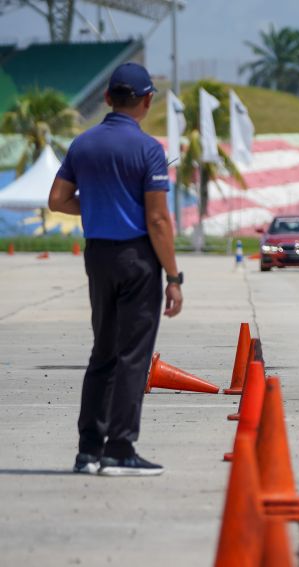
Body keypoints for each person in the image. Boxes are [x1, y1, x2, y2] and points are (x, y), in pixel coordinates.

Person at [48, 62, 183, 477]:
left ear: (107, 98)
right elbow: (158, 220)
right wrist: (174, 277)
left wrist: (92, 206)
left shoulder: (83, 145)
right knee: (132, 357)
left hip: (98, 256)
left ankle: (88, 449)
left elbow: (57, 199)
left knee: (102, 352)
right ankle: (120, 448)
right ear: (146, 101)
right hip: (136, 258)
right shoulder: (147, 150)